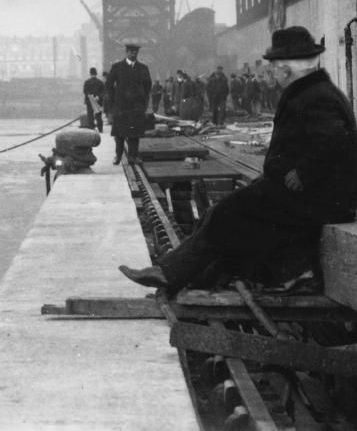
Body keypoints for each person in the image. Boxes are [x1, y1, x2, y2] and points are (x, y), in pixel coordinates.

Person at [119, 26, 357, 294]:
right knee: (226, 213)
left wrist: (303, 172)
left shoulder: (314, 97)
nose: (272, 73)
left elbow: (337, 139)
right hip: (311, 194)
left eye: (276, 67)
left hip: (317, 197)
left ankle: (173, 274)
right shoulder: (312, 92)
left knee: (227, 213)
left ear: (289, 68)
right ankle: (188, 277)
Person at [104, 42, 153, 164]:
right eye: (131, 51)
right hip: (121, 106)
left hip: (136, 106)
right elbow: (109, 85)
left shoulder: (143, 68)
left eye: (136, 52)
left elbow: (148, 86)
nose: (134, 54)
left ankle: (133, 156)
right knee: (119, 134)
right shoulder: (117, 67)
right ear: (126, 52)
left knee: (134, 134)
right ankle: (118, 156)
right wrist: (113, 102)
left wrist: (144, 102)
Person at [82, 67, 105, 133]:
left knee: (90, 115)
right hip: (98, 101)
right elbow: (103, 92)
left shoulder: (87, 82)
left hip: (89, 101)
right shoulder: (100, 82)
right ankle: (100, 129)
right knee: (98, 116)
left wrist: (90, 96)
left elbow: (85, 91)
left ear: (90, 73)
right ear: (96, 73)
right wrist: (98, 96)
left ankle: (91, 128)